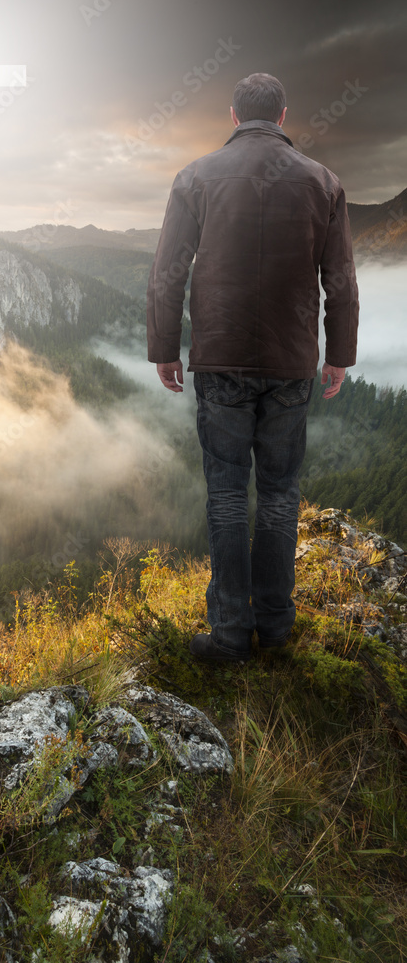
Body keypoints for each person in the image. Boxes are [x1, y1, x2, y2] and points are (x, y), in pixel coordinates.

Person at [146, 72, 359, 662]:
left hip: (220, 358)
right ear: (284, 116)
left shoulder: (194, 178)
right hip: (292, 362)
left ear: (233, 116)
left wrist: (165, 346)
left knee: (226, 494)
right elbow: (339, 280)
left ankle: (231, 633)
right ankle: (277, 627)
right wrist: (338, 354)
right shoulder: (324, 183)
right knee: (281, 494)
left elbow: (169, 271)